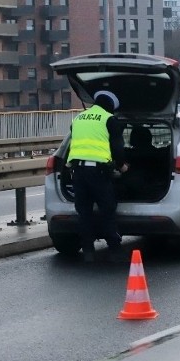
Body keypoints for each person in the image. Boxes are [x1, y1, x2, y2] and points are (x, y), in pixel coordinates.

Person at [66, 90, 128, 263]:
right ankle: (115, 250)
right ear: (110, 106)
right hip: (98, 173)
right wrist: (122, 166)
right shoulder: (109, 119)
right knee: (107, 210)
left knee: (84, 212)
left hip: (77, 172)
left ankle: (88, 251)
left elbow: (75, 142)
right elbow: (117, 148)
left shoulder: (78, 118)